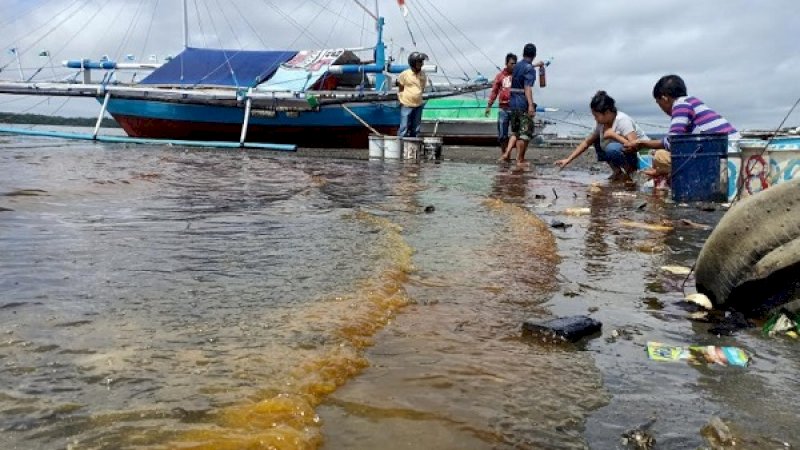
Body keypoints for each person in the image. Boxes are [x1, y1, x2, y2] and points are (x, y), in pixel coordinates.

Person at [626, 74, 741, 178]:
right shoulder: (693, 102)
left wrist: (642, 144)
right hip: (733, 151)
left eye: (658, 103)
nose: (661, 108)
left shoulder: (681, 105)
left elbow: (673, 143)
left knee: (659, 156)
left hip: (721, 156)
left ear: (664, 98)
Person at [555, 91, 648, 180]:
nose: (595, 119)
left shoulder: (622, 120)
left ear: (607, 112)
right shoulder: (601, 123)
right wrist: (568, 160)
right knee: (597, 140)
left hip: (642, 155)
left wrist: (614, 135)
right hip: (624, 151)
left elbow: (636, 145)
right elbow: (586, 142)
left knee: (612, 147)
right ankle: (618, 171)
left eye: (596, 116)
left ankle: (630, 171)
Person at [499, 43, 538, 165]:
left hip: (513, 103)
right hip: (522, 102)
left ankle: (506, 154)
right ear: (534, 55)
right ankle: (520, 159)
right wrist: (531, 105)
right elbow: (527, 87)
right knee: (524, 133)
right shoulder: (529, 68)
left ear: (523, 53)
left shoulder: (516, 67)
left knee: (515, 132)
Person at [485, 53, 517, 153]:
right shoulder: (500, 76)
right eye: (512, 63)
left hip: (516, 108)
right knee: (502, 134)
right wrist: (489, 106)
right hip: (503, 108)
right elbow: (494, 91)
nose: (514, 65)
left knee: (517, 133)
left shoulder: (518, 75)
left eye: (515, 63)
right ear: (506, 63)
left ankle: (512, 155)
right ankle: (504, 153)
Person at [397, 51, 428, 138]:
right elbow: (400, 87)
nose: (421, 64)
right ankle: (401, 146)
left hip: (418, 104)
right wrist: (401, 99)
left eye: (422, 62)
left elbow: (422, 88)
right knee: (404, 127)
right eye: (419, 62)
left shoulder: (423, 74)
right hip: (407, 104)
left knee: (416, 128)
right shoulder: (405, 74)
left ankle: (413, 148)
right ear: (413, 62)